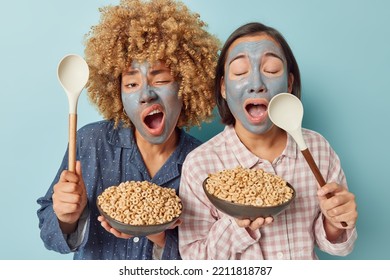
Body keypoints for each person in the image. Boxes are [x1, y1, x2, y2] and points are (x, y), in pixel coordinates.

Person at [37, 0, 219, 260]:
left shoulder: (205, 162)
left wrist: (158, 235)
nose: (146, 94)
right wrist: (67, 217)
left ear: (188, 86)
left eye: (162, 79)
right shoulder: (90, 142)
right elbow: (48, 231)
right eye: (132, 83)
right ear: (117, 93)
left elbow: (208, 259)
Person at [178, 22, 358, 260]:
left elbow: (337, 245)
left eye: (271, 70)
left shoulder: (317, 148)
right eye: (241, 72)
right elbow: (193, 260)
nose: (256, 84)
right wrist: (238, 225)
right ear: (223, 87)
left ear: (289, 84)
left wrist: (336, 221)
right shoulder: (201, 164)